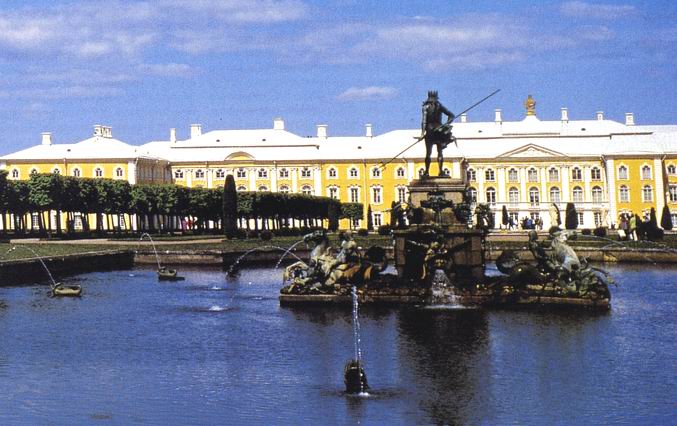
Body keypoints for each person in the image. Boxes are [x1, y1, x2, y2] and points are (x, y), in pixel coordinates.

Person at [421, 91, 455, 177]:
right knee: (440, 152)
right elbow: (451, 115)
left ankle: (426, 172)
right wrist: (446, 124)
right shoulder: (439, 106)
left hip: (430, 131)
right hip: (439, 130)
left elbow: (424, 121)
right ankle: (440, 171)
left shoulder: (425, 107)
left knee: (428, 153)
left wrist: (422, 133)